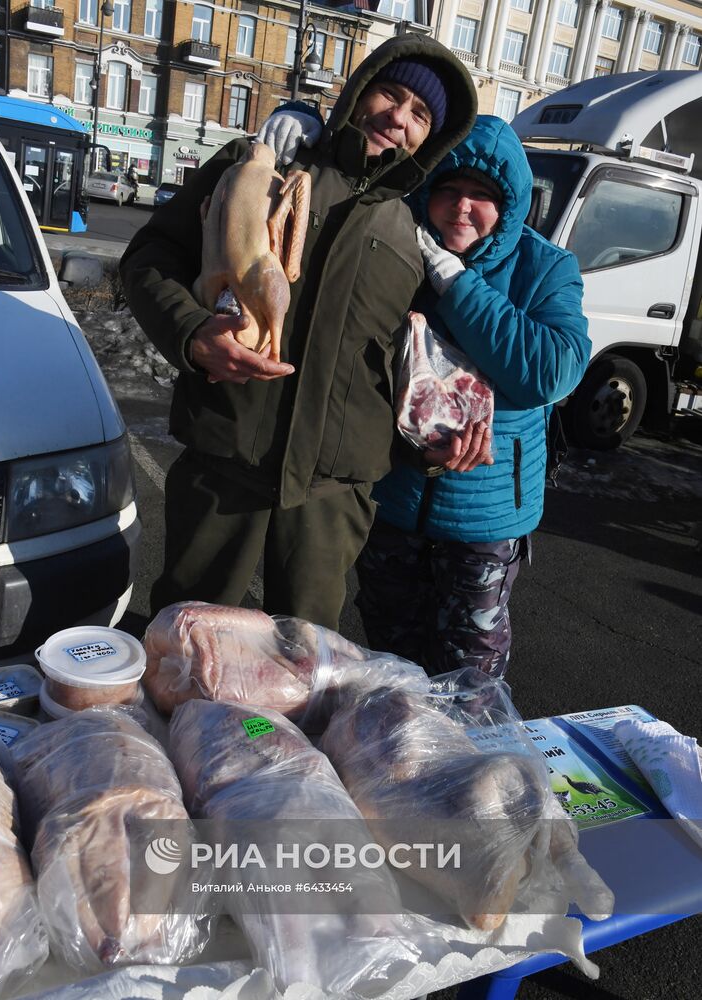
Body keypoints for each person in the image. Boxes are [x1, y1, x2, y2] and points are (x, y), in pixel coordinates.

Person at [119, 35, 477, 629]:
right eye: (392, 93)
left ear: (432, 137)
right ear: (360, 92)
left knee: (299, 674)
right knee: (189, 653)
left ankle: (260, 732)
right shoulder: (262, 166)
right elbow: (149, 258)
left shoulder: (410, 236)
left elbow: (414, 362)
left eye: (421, 114)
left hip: (331, 499)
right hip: (223, 472)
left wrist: (430, 445)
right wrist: (191, 332)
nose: (399, 118)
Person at [355, 115, 592, 677]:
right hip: (394, 497)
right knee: (390, 666)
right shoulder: (395, 246)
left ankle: (467, 766)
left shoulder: (545, 266)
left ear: (509, 205)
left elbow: (550, 371)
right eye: (450, 189)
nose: (462, 207)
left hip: (486, 514)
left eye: (482, 196)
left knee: (469, 674)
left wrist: (456, 282)